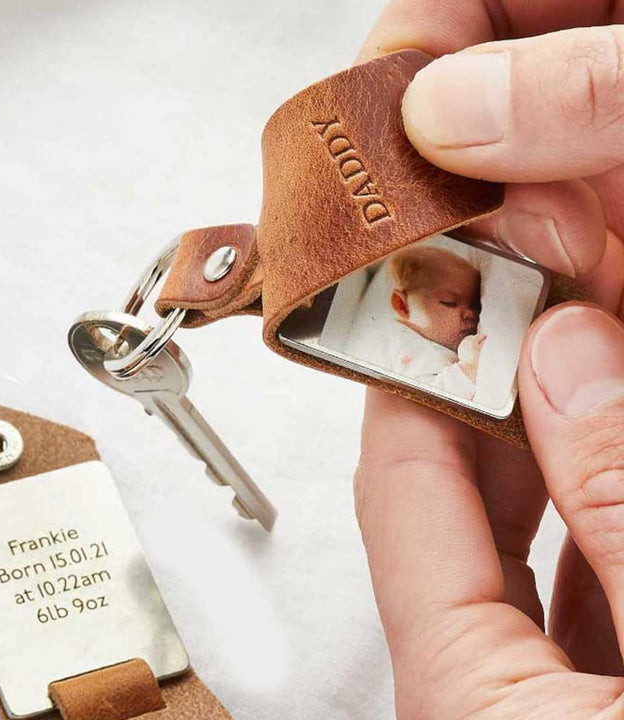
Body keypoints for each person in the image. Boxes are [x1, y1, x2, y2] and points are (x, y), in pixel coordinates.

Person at [352, 2, 624, 718]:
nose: (471, 316)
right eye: (452, 306)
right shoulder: (412, 362)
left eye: (473, 304)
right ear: (403, 311)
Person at [386, 246, 486, 398]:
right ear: (402, 305)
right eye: (450, 302)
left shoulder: (431, 340)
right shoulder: (405, 347)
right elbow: (427, 399)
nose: (471, 314)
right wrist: (468, 368)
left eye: (475, 306)